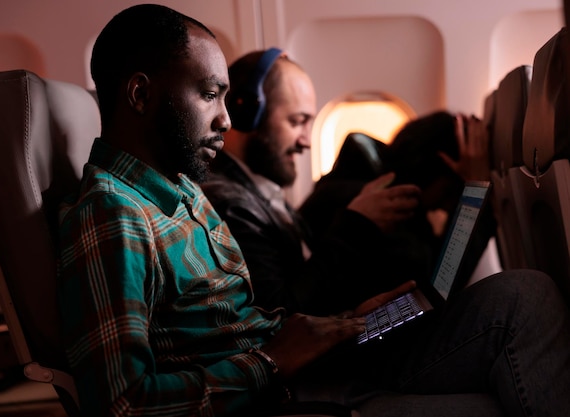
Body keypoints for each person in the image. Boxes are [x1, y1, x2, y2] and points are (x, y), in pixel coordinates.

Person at [57, 4, 570, 417]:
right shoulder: (113, 215)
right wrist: (274, 360)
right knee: (520, 315)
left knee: (519, 297)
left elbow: (236, 322)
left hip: (304, 367)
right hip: (282, 394)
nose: (225, 119)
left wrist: (344, 323)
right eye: (210, 94)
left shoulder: (181, 191)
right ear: (141, 94)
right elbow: (121, 405)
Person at [201, 50, 422, 315]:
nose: (306, 141)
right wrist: (356, 225)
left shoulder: (260, 190)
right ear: (247, 114)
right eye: (297, 122)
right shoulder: (230, 205)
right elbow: (280, 315)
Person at [300, 110, 495, 287]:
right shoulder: (383, 204)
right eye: (449, 191)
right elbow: (437, 288)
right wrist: (476, 192)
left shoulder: (364, 176)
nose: (447, 205)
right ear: (433, 168)